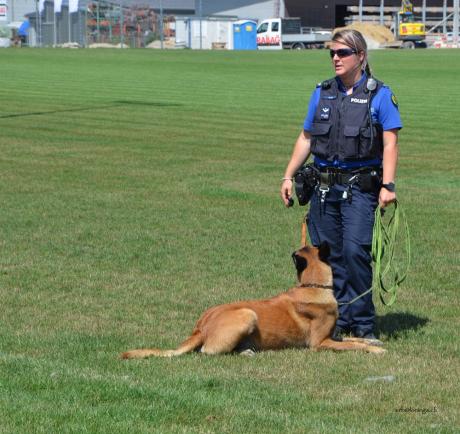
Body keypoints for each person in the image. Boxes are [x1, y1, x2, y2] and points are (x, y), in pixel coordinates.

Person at [280, 29, 402, 342]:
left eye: (343, 53)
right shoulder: (321, 92)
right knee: (329, 256)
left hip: (360, 188)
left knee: (355, 252)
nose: (336, 58)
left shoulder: (380, 95)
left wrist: (388, 184)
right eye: (332, 53)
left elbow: (390, 143)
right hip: (323, 188)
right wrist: (287, 175)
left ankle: (363, 325)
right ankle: (339, 321)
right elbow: (306, 137)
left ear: (360, 56)